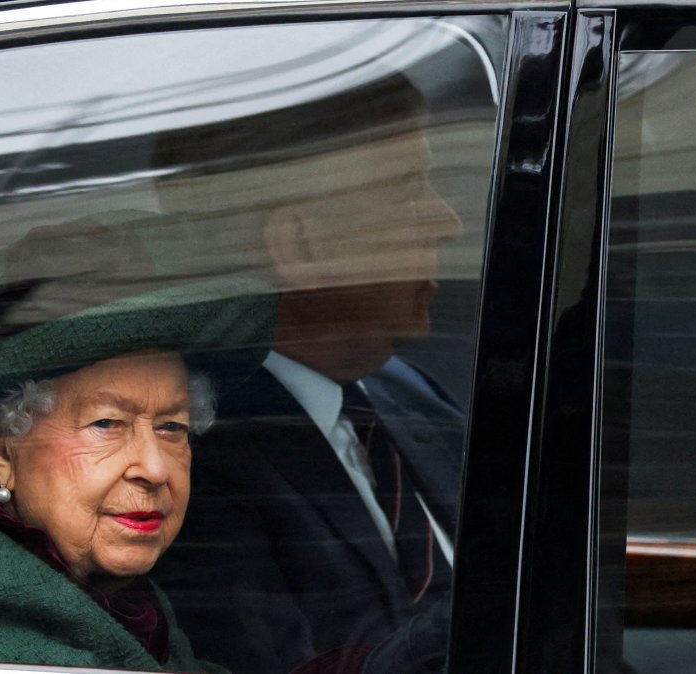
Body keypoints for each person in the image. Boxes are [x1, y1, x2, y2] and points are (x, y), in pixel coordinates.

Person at [0, 216, 277, 671]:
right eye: (107, 423)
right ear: (2, 448)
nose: (155, 467)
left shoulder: (93, 584)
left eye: (172, 427)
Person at [151, 72, 468, 673]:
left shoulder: (407, 391)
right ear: (300, 245)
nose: (446, 222)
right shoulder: (193, 461)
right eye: (407, 190)